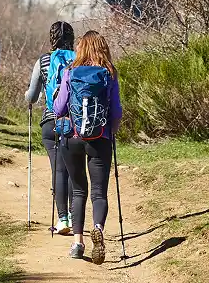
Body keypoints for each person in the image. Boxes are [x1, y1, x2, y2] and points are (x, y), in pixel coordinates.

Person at [53, 30, 122, 265]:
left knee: (79, 190)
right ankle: (99, 228)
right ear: (103, 48)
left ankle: (77, 243)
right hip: (100, 138)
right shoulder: (109, 73)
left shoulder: (70, 72)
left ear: (80, 49)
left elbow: (59, 108)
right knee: (99, 192)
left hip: (72, 138)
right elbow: (116, 111)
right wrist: (111, 131)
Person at [24, 21, 76, 236]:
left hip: (50, 121)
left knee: (58, 170)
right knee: (75, 170)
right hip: (75, 123)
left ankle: (62, 219)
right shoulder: (80, 59)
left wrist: (27, 97)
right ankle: (76, 216)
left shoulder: (43, 61)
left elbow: (32, 96)